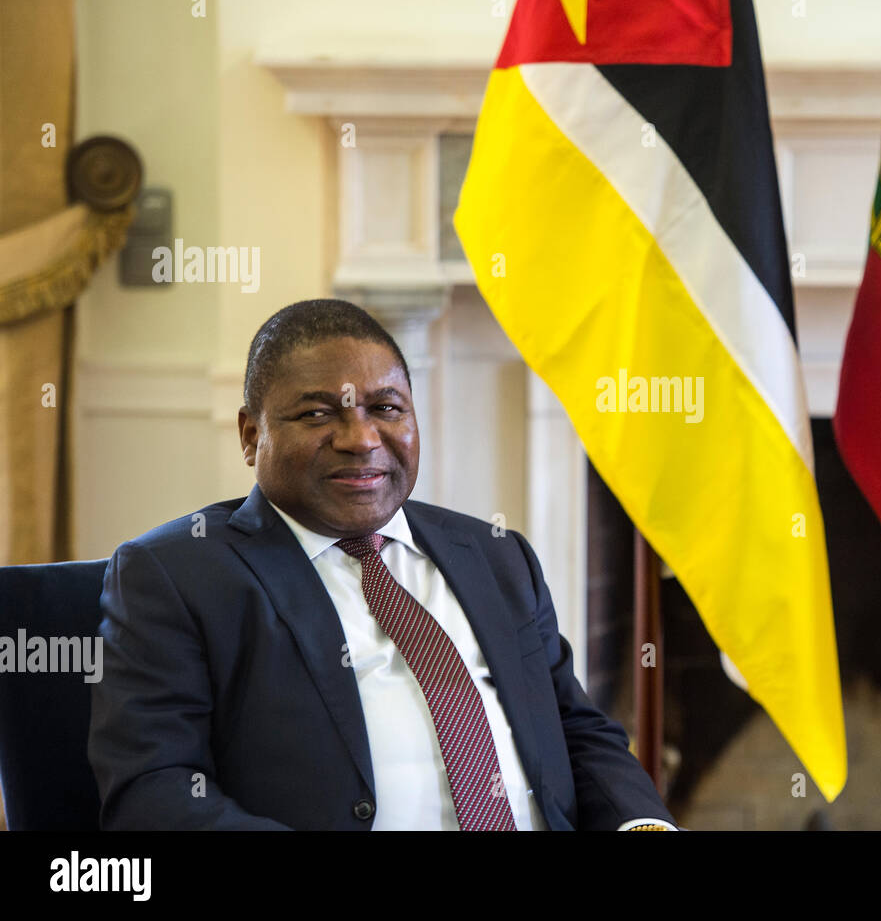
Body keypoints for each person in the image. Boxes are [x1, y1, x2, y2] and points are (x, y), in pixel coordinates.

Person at [88, 298, 676, 831]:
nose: (361, 438)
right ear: (250, 434)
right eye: (319, 415)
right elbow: (154, 791)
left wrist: (641, 824)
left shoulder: (498, 556)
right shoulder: (174, 575)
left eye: (386, 407)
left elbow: (576, 729)